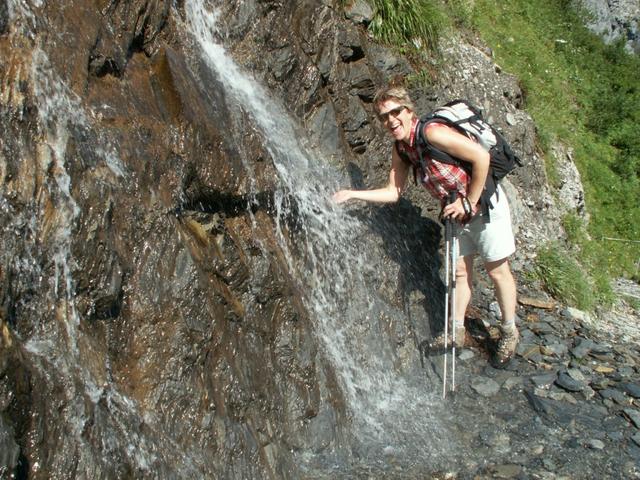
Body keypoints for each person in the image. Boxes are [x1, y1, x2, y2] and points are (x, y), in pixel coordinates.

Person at [332, 85, 519, 368]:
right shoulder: (402, 149)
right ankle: (456, 331)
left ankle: (509, 332)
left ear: (409, 111)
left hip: (484, 202)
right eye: (384, 116)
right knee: (458, 270)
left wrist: (470, 202)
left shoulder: (432, 133)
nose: (391, 120)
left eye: (396, 112)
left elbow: (482, 158)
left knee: (497, 270)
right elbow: (393, 192)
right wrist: (352, 194)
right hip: (455, 209)